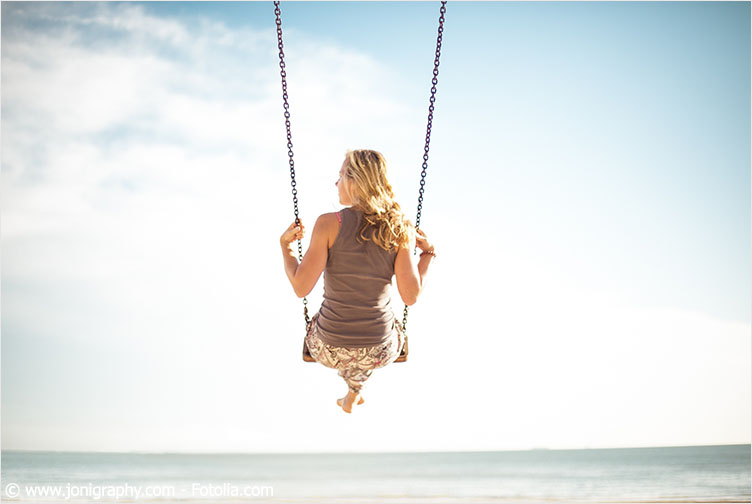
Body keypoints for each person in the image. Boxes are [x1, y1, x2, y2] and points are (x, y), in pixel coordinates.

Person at [280, 149, 436, 414]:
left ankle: (351, 392)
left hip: (327, 349)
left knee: (336, 331)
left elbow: (300, 287)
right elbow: (410, 297)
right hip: (381, 351)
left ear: (355, 181)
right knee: (374, 339)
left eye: (340, 176)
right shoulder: (400, 229)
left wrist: (286, 247)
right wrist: (428, 254)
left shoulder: (328, 224)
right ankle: (354, 391)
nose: (336, 183)